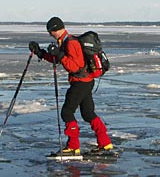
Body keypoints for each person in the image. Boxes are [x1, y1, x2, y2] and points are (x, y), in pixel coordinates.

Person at [29, 16, 114, 157]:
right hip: (85, 82)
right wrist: (41, 53)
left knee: (67, 112)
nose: (50, 34)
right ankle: (105, 143)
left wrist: (60, 54)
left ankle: (73, 147)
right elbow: (59, 59)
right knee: (88, 113)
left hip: (81, 82)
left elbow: (75, 67)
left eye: (50, 31)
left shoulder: (71, 43)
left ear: (56, 29)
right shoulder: (64, 41)